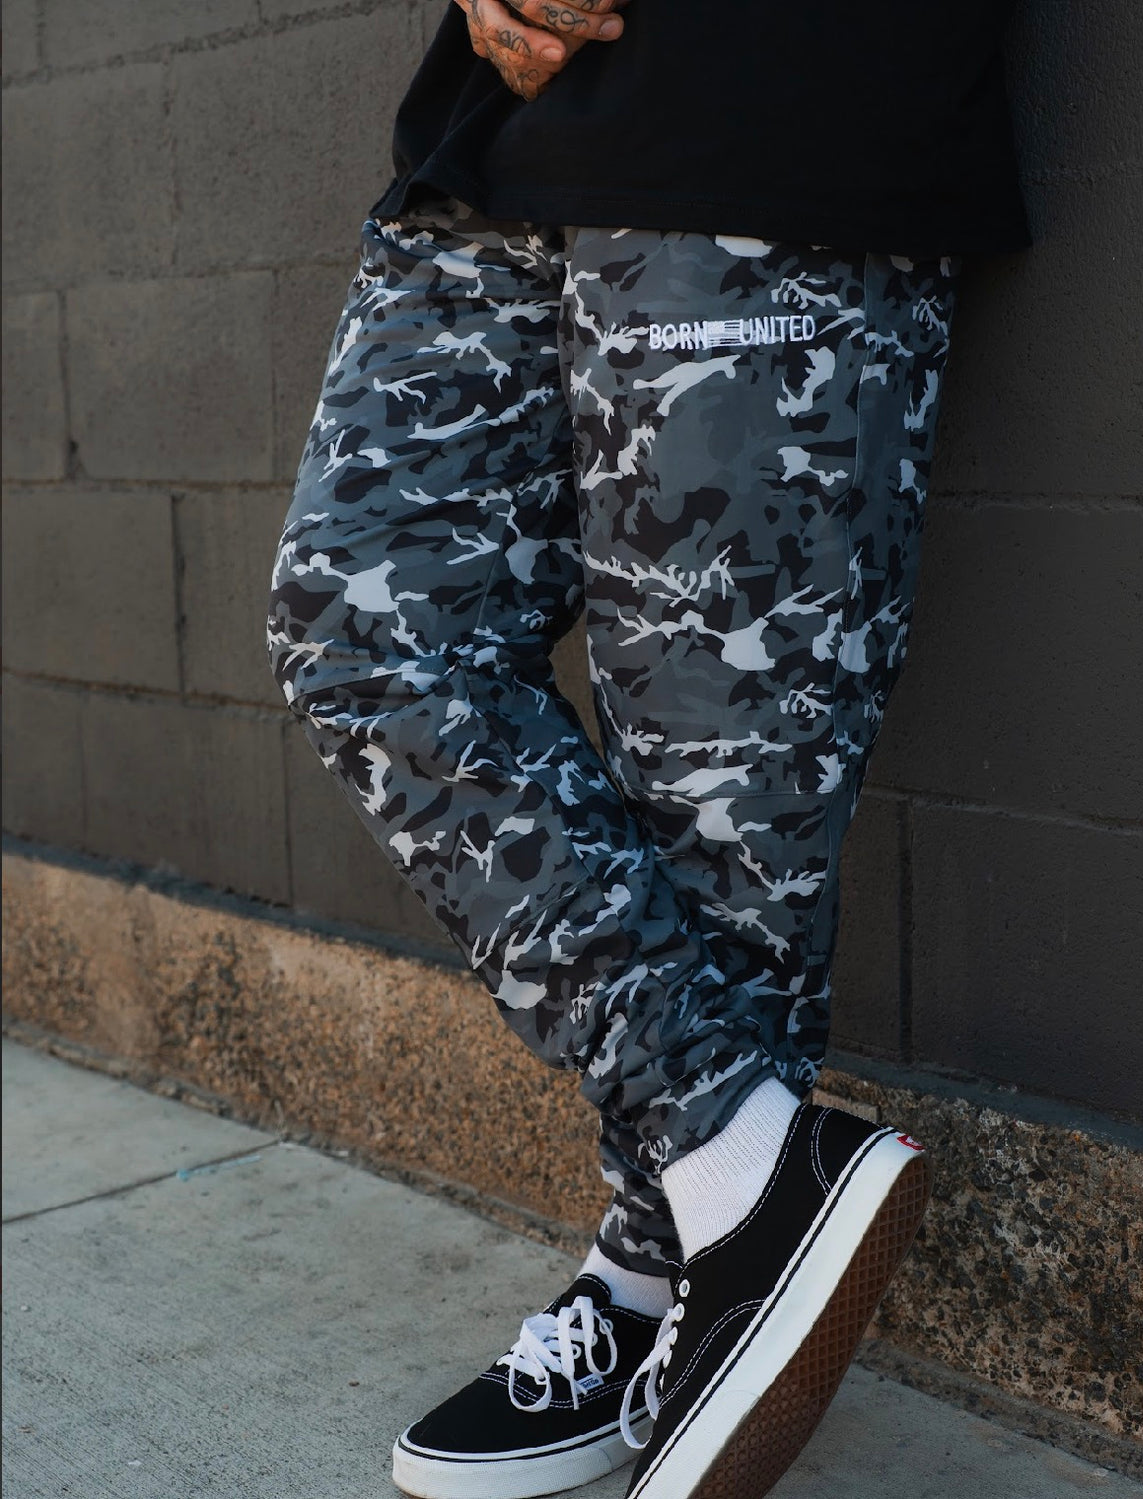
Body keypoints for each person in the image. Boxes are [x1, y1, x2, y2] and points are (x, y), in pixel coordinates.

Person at [266, 3, 1029, 1496]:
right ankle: (743, 1167)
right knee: (363, 624)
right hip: (498, 147)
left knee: (716, 788)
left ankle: (660, 1272)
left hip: (773, 112)